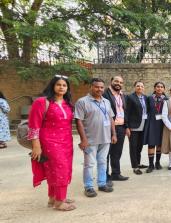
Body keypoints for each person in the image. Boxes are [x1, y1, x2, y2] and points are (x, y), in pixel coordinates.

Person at [28, 75, 76, 211]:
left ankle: (53, 197)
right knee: (60, 169)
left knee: (57, 169)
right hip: (50, 141)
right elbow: (33, 125)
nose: (61, 87)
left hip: (66, 142)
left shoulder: (68, 104)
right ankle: (59, 202)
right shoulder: (42, 102)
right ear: (52, 86)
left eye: (64, 85)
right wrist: (36, 145)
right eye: (58, 85)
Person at [75, 78, 117, 197]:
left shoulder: (106, 102)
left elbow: (111, 119)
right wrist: (83, 139)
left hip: (105, 139)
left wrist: (113, 134)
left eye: (101, 87)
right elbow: (78, 121)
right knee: (89, 164)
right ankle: (88, 187)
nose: (99, 89)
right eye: (96, 87)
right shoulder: (82, 102)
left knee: (103, 162)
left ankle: (102, 183)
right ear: (91, 87)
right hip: (90, 140)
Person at [102, 75, 129, 181]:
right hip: (108, 127)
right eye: (116, 81)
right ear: (111, 81)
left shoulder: (122, 95)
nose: (119, 84)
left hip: (121, 127)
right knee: (106, 153)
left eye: (121, 82)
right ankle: (105, 176)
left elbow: (124, 111)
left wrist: (126, 126)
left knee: (117, 152)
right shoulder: (105, 94)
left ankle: (116, 173)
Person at [125, 81, 149, 175]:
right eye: (138, 86)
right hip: (133, 126)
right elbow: (126, 112)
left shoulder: (145, 97)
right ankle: (135, 167)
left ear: (144, 88)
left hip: (143, 125)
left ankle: (138, 163)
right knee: (133, 147)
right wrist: (127, 126)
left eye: (142, 86)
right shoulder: (130, 98)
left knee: (139, 146)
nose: (140, 87)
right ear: (134, 87)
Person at [143, 82, 167, 173]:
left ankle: (157, 162)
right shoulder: (149, 98)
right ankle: (151, 164)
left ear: (164, 89)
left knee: (159, 144)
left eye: (161, 87)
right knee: (151, 144)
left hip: (162, 124)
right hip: (151, 123)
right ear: (154, 88)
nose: (159, 88)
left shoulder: (166, 99)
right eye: (158, 87)